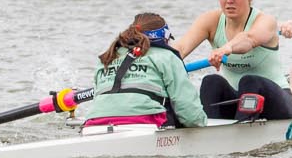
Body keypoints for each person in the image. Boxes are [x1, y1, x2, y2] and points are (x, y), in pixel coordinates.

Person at [173, 0, 292, 121]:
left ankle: (240, 133)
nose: (229, 0)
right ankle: (211, 132)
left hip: (277, 103)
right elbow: (180, 48)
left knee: (250, 81)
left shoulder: (266, 21)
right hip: (238, 101)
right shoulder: (209, 20)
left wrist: (225, 48)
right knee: (211, 82)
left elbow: (249, 39)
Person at [76, 12, 207, 132]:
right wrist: (202, 127)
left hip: (95, 122)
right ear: (164, 37)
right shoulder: (167, 56)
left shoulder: (107, 57)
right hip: (144, 122)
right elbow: (190, 114)